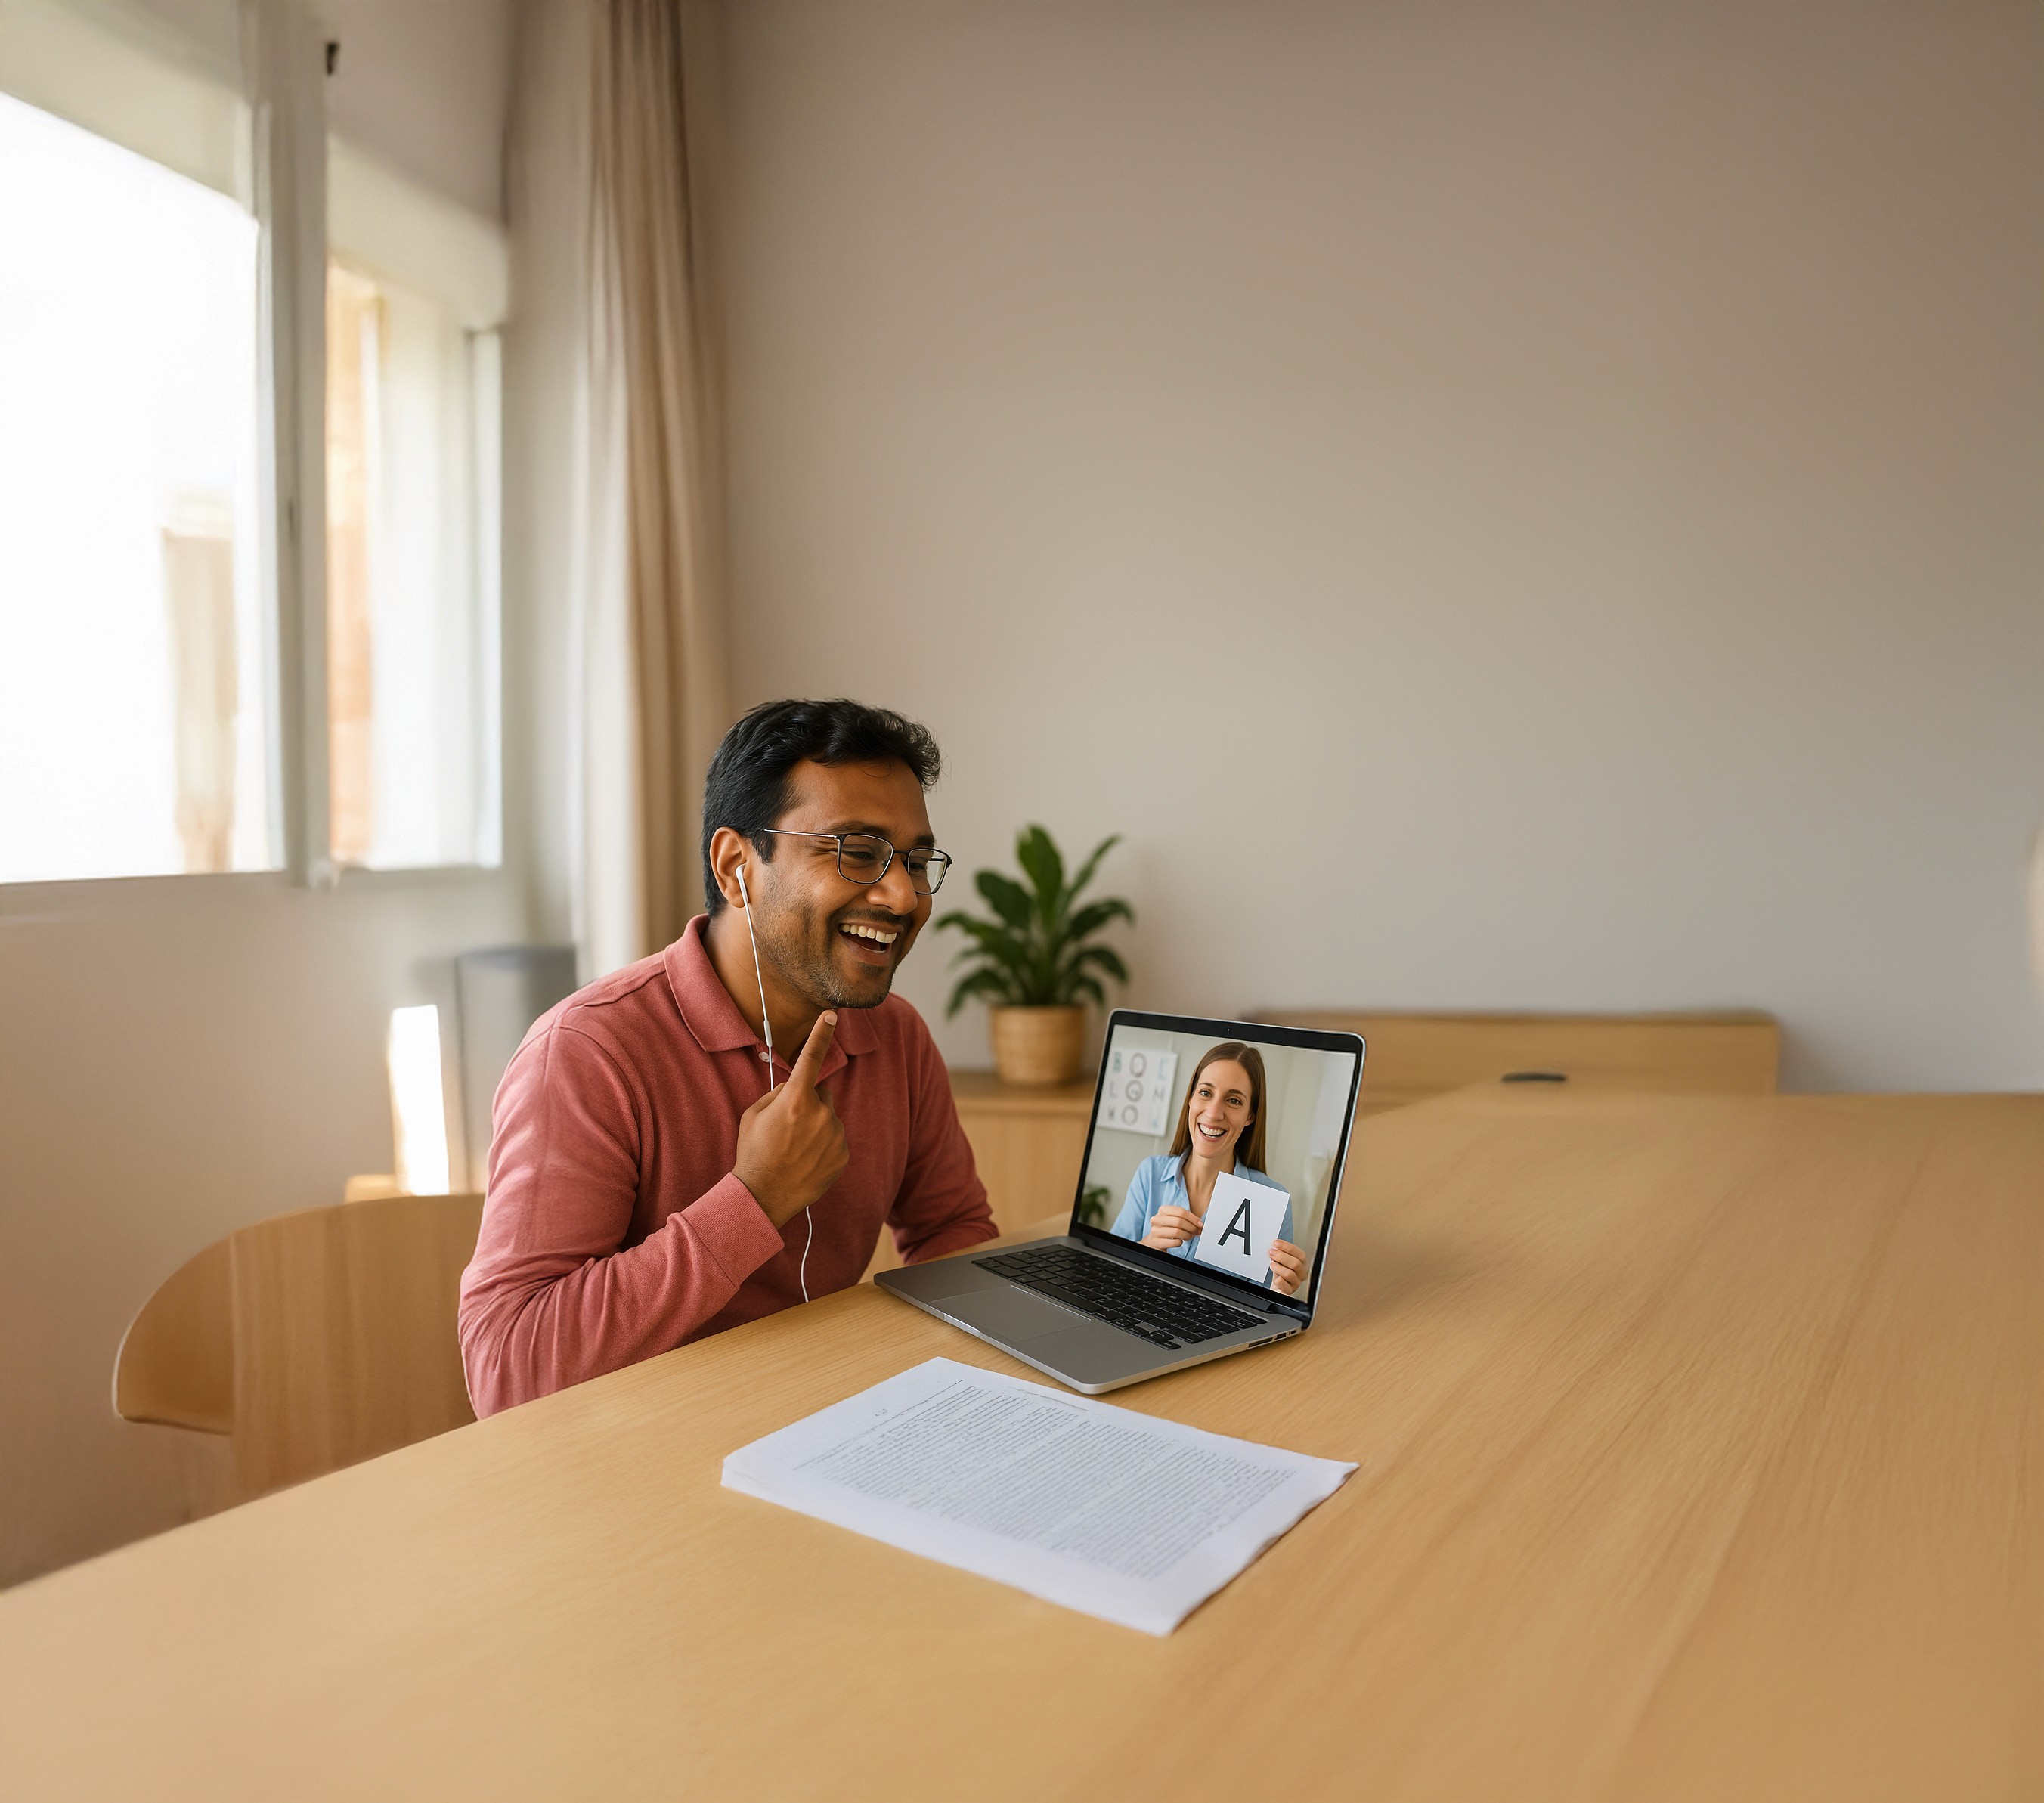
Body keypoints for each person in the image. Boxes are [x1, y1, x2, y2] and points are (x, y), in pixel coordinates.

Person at [458, 699, 998, 1416]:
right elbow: (506, 1369)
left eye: (917, 862)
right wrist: (753, 1200)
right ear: (736, 865)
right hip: (644, 1454)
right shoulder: (586, 1055)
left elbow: (952, 1232)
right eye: (857, 852)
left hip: (832, 1424)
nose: (904, 896)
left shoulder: (895, 1037)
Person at [1108, 1042, 1309, 1296]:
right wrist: (1147, 1247)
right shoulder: (1150, 1174)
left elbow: (1265, 1306)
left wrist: (1279, 1293)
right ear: (1190, 1099)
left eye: (1233, 1100)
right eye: (1205, 1093)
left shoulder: (1273, 1202)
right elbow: (1108, 1275)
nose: (1214, 1113)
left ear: (1250, 1116)